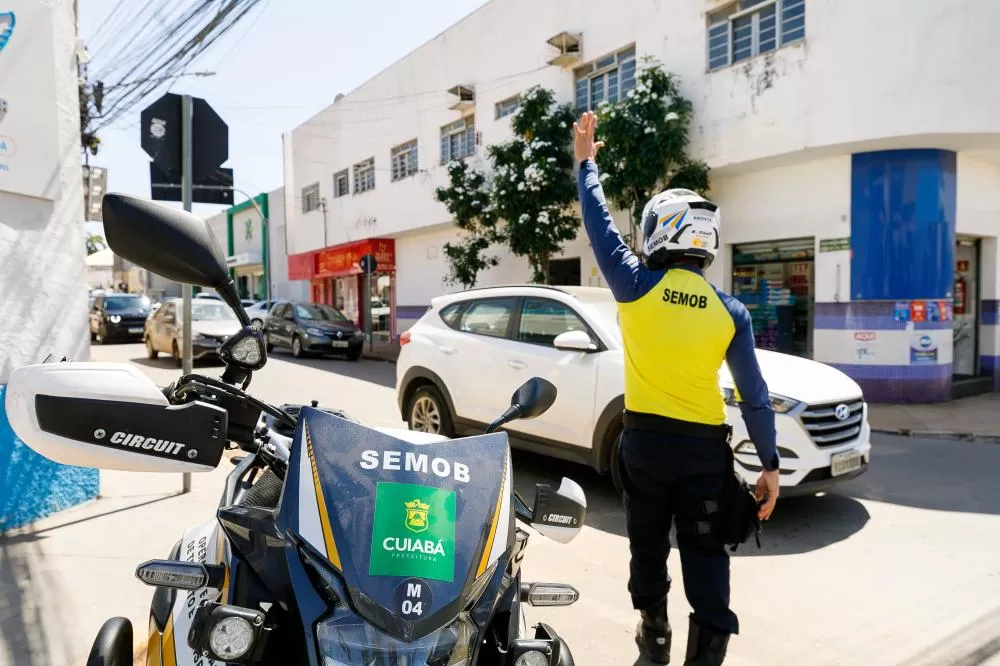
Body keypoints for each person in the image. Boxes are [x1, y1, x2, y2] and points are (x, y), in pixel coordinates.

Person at [572, 111, 780, 666]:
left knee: (646, 548)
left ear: (659, 231)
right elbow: (755, 396)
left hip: (643, 448)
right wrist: (770, 466)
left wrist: (587, 164)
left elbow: (598, 222)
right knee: (706, 553)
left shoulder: (634, 284)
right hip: (704, 454)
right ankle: (704, 657)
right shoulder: (730, 311)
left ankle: (655, 638)